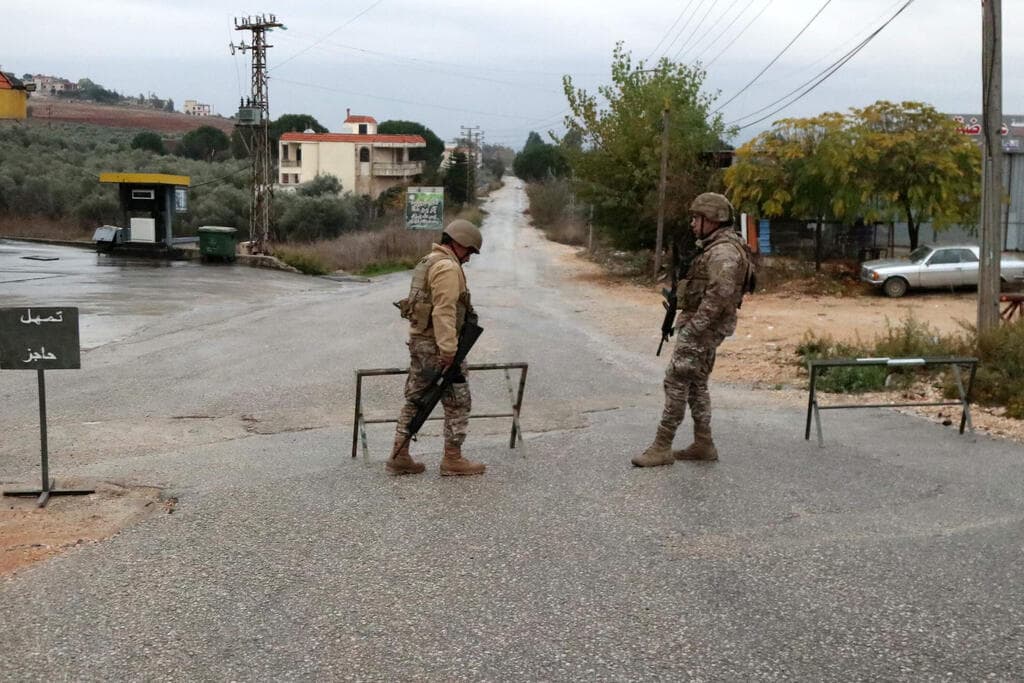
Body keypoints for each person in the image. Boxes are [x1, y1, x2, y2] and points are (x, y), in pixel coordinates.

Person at [633, 192, 753, 468]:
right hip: (704, 327)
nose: (692, 223)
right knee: (696, 383)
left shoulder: (723, 252)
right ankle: (703, 443)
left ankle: (662, 446)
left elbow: (720, 295)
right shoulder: (716, 246)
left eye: (696, 218)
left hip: (704, 329)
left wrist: (695, 328)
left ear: (712, 220)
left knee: (676, 380)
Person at [388, 219, 486, 476]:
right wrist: (449, 351)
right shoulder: (447, 268)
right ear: (459, 243)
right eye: (469, 251)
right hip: (437, 346)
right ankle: (453, 459)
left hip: (422, 342)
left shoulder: (428, 261)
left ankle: (399, 455)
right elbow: (444, 311)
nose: (468, 258)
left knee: (416, 399)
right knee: (458, 402)